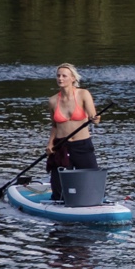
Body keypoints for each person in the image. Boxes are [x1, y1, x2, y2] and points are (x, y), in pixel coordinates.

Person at [47, 63, 98, 202]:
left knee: (92, 180)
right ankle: (58, 204)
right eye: (58, 76)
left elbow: (94, 118)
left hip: (82, 146)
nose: (60, 79)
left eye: (64, 76)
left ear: (73, 78)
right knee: (58, 188)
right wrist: (50, 143)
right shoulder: (52, 101)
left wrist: (95, 119)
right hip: (61, 146)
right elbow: (54, 125)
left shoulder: (83, 94)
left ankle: (94, 203)